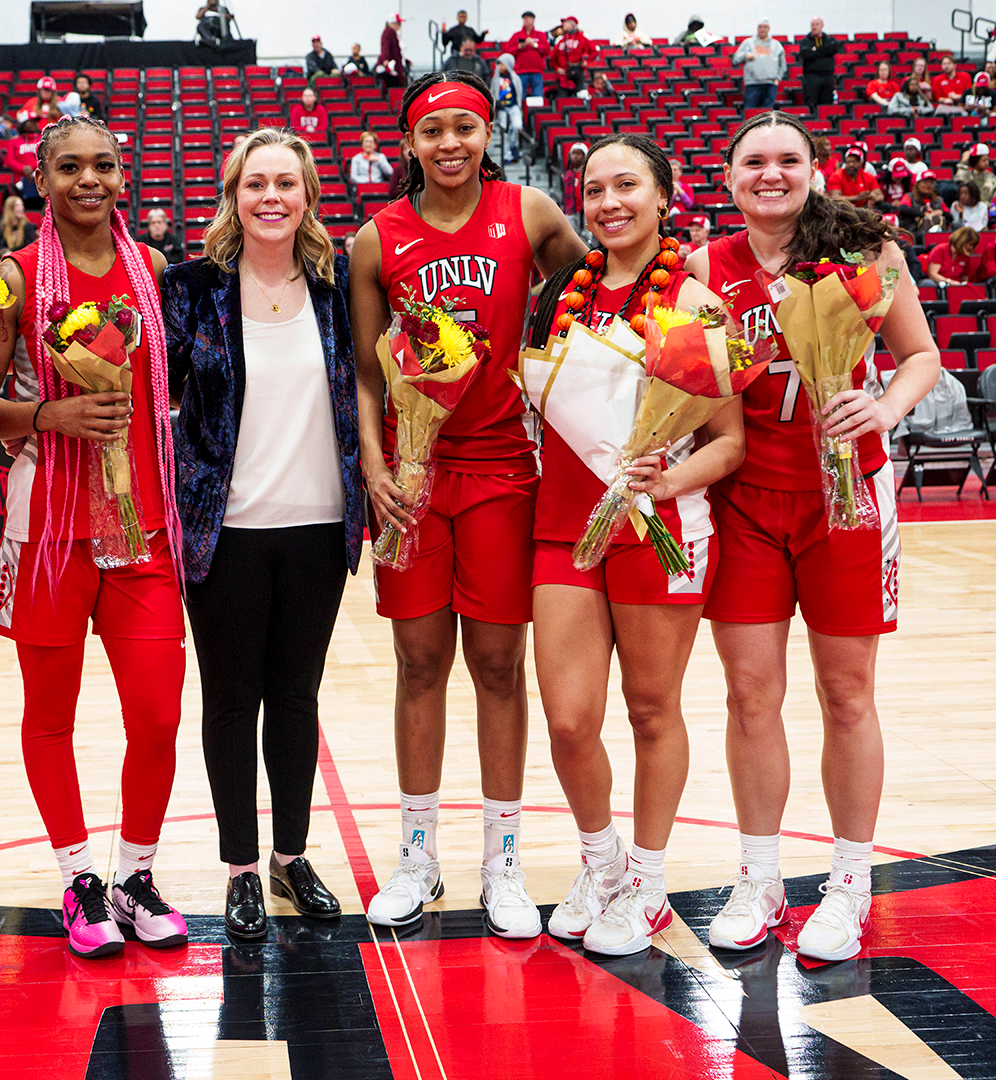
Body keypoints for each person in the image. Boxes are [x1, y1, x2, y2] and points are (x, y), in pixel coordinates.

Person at [688, 110, 940, 963]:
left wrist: (885, 405)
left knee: (847, 695)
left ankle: (851, 881)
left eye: (787, 160)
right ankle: (761, 877)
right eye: (752, 161)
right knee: (749, 696)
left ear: (813, 170)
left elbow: (921, 358)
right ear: (728, 179)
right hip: (748, 502)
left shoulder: (869, 249)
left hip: (848, 500)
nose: (770, 174)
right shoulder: (701, 268)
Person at [349, 71, 586, 939]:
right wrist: (376, 467)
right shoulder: (377, 240)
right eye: (432, 131)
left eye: (465, 128)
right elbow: (369, 373)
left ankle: (504, 862)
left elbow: (593, 288)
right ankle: (416, 856)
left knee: (496, 665)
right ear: (408, 143)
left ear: (488, 135)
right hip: (412, 475)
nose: (450, 144)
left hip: (501, 468)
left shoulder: (530, 214)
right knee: (418, 664)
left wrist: (546, 366)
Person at [0, 111, 189, 960]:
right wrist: (46, 413)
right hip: (49, 528)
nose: (89, 180)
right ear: (43, 180)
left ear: (123, 175)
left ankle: (134, 874)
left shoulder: (154, 267)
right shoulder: (14, 278)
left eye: (103, 164)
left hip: (143, 526)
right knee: (50, 715)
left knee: (159, 716)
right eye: (70, 168)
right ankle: (78, 877)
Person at [526, 133, 742, 955]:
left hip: (660, 529)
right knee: (570, 719)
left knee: (652, 711)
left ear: (663, 197)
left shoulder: (691, 302)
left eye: (627, 186)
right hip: (564, 526)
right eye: (594, 189)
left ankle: (648, 884)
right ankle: (601, 862)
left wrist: (666, 483)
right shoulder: (556, 298)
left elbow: (729, 442)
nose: (609, 202)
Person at [162, 128, 363, 942]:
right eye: (255, 184)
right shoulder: (192, 288)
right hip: (227, 529)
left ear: (309, 193)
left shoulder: (340, 284)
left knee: (295, 698)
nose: (271, 197)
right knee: (230, 700)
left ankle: (290, 855)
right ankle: (241, 868)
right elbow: (154, 398)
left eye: (286, 182)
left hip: (319, 526)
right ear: (233, 195)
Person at [734, 22, 788, 111]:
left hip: (770, 85)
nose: (762, 29)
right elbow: (735, 59)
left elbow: (782, 65)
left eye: (765, 27)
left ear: (769, 29)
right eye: (760, 27)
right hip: (752, 84)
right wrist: (745, 55)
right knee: (750, 114)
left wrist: (778, 79)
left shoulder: (776, 45)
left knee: (767, 116)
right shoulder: (748, 43)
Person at [549, 16, 597, 95]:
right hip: (564, 75)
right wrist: (557, 68)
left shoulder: (581, 38)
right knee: (563, 99)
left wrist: (587, 62)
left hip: (577, 71)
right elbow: (553, 58)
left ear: (572, 24)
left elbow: (594, 51)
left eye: (566, 23)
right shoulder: (561, 40)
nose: (563, 24)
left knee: (581, 96)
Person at [798, 18, 841, 107]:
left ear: (822, 26)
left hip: (827, 77)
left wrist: (815, 50)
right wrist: (824, 51)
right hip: (811, 77)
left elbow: (833, 48)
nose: (814, 27)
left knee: (827, 103)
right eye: (813, 25)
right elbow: (806, 54)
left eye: (817, 24)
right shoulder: (805, 42)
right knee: (811, 102)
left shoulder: (830, 40)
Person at [492, 55, 525, 166]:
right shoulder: (496, 79)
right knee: (505, 132)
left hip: (513, 106)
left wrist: (519, 105)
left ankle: (514, 145)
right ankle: (506, 155)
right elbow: (493, 93)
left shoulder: (515, 78)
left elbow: (519, 92)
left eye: (502, 64)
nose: (500, 67)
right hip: (502, 108)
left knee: (517, 126)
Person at [0, 193, 38, 257]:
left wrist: (13, 253)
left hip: (22, 257)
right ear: (10, 209)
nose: (22, 208)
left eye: (22, 205)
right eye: (17, 206)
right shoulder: (2, 227)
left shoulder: (27, 226)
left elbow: (28, 247)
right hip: (6, 257)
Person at [348, 130, 394, 195]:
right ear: (362, 144)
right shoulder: (356, 159)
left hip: (378, 187)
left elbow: (390, 172)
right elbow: (353, 176)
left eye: (371, 142)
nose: (368, 144)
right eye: (366, 142)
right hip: (362, 187)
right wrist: (367, 184)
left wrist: (378, 161)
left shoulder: (380, 157)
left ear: (375, 145)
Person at [378, 13, 410, 90]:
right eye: (398, 23)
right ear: (392, 23)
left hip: (397, 66)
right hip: (393, 67)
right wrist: (386, 59)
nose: (399, 26)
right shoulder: (389, 32)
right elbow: (386, 46)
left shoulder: (393, 34)